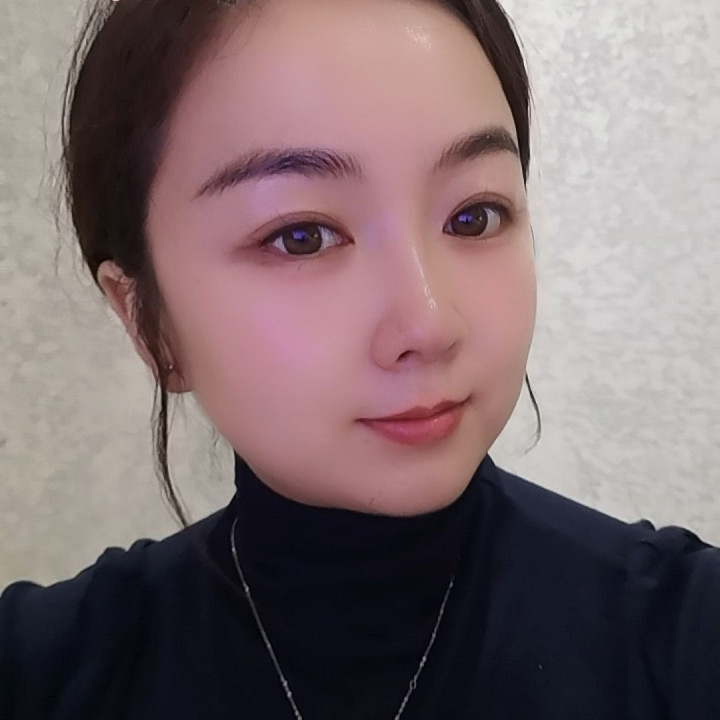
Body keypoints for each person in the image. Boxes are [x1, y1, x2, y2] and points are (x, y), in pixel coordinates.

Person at [1, 0, 718, 717]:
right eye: (301, 236)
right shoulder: (39, 670)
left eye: (474, 217)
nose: (429, 323)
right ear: (147, 321)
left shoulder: (684, 638)